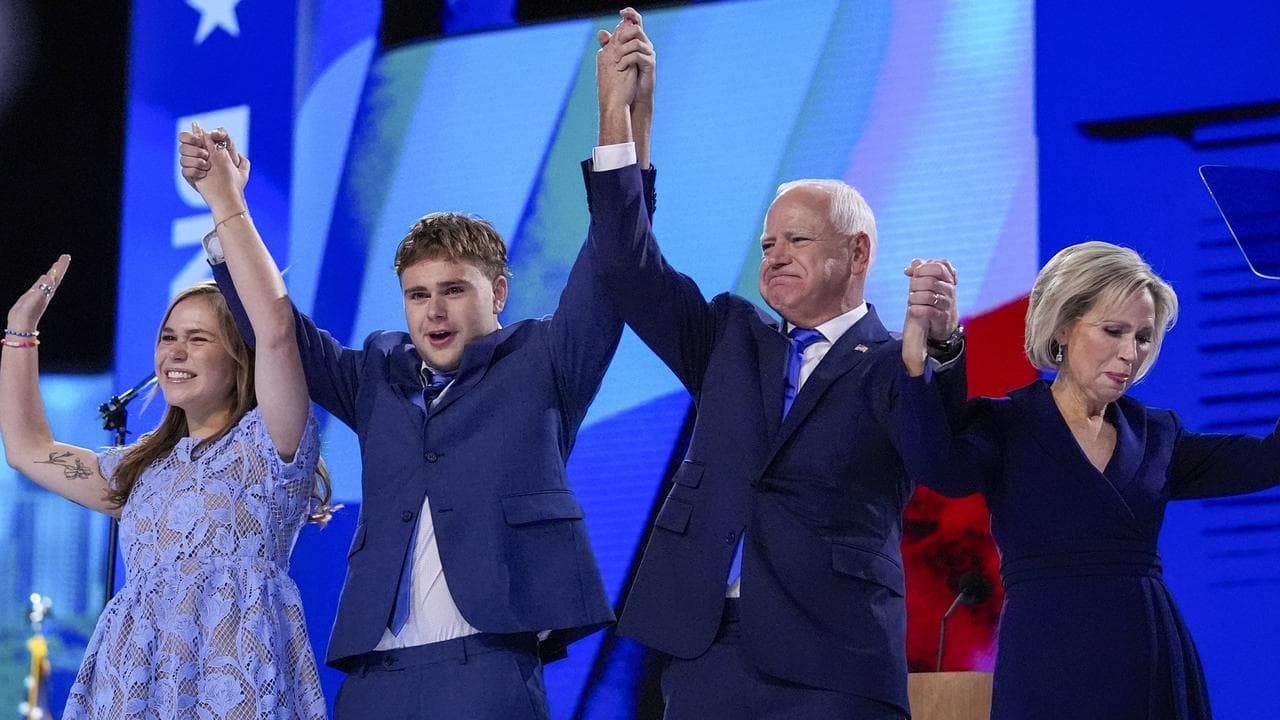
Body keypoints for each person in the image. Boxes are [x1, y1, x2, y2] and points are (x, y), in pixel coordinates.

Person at [176, 14, 656, 718]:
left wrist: (618, 114)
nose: (433, 311)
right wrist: (229, 208)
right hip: (374, 677)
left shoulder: (547, 358)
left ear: (497, 292)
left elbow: (615, 255)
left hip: (489, 667)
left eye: (454, 291)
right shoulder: (378, 372)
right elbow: (271, 326)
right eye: (418, 295)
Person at [583, 10, 968, 719]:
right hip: (704, 656)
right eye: (766, 245)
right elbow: (628, 267)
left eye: (796, 239)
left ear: (857, 254)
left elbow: (943, 457)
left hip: (833, 666)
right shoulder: (731, 336)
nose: (774, 257)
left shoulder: (891, 366)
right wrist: (624, 117)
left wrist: (939, 349)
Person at [0, 130, 330, 718]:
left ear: (238, 358)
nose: (174, 352)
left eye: (198, 339)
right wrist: (20, 332)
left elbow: (276, 328)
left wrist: (226, 203)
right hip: (136, 689)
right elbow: (27, 449)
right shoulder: (142, 468)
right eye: (167, 338)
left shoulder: (270, 446)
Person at [904, 240, 1280, 719]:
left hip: (1146, 658)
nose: (1130, 353)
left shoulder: (1157, 434)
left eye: (1143, 338)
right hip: (1046, 660)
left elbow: (1270, 460)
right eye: (1113, 331)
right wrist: (933, 345)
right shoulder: (1008, 425)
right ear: (1062, 327)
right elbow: (937, 464)